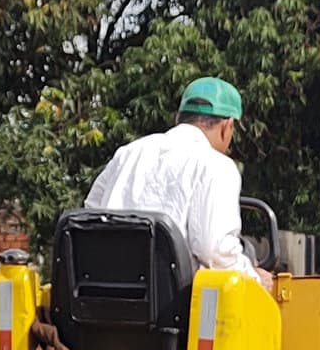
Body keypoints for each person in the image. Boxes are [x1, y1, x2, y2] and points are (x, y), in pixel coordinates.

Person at [85, 76, 273, 291]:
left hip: (103, 298)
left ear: (178, 118)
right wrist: (254, 277)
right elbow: (214, 250)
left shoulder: (127, 153)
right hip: (173, 311)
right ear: (227, 126)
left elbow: (90, 212)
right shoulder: (216, 165)